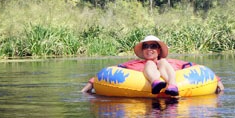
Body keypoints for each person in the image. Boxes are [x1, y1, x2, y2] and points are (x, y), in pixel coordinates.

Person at [81, 35, 224, 95]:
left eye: (153, 46)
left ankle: (172, 85)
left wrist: (218, 84)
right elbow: (108, 74)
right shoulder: (134, 64)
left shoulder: (173, 62)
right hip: (149, 106)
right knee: (149, 64)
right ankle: (155, 82)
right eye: (146, 46)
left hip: (174, 98)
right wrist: (86, 89)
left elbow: (201, 71)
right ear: (142, 50)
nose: (149, 49)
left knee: (162, 62)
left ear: (159, 49)